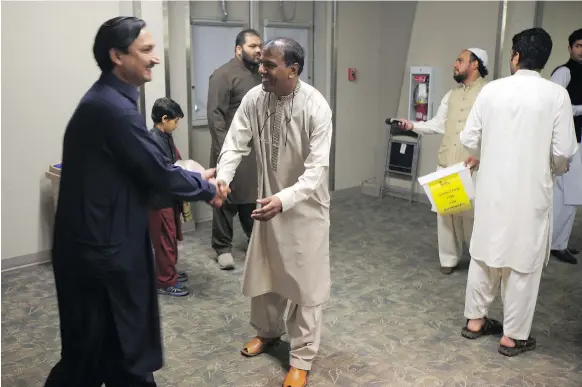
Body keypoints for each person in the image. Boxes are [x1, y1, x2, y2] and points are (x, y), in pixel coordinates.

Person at [45, 17, 226, 387]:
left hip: (103, 249)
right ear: (116, 55)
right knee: (90, 359)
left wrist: (193, 179)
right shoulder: (110, 109)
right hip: (100, 258)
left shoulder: (109, 102)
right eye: (145, 50)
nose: (155, 59)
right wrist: (206, 187)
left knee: (118, 357)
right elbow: (155, 170)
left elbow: (145, 169)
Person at [215, 37, 332, 387]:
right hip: (268, 207)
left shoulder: (316, 107)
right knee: (266, 275)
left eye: (268, 65)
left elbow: (316, 171)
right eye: (260, 62)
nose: (260, 69)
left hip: (305, 209)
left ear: (292, 70)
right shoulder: (255, 98)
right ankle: (267, 333)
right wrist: (223, 178)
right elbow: (235, 142)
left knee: (305, 287)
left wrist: (285, 199)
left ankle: (302, 357)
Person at [459, 27, 578, 357]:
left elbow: (469, 139)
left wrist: (488, 150)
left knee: (484, 255)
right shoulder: (556, 95)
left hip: (492, 188)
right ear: (544, 59)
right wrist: (553, 168)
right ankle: (512, 336)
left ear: (515, 56)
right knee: (523, 264)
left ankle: (475, 320)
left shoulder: (492, 91)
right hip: (531, 193)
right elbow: (565, 150)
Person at [397, 47, 489, 274]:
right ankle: (448, 260)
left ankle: (480, 261)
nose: (454, 64)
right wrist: (413, 125)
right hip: (447, 163)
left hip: (472, 166)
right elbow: (438, 124)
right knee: (445, 215)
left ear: (474, 64)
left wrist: (480, 155)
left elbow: (494, 130)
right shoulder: (451, 95)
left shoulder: (489, 94)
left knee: (472, 217)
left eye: (460, 60)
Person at [207, 29, 262, 270]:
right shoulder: (223, 75)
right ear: (238, 50)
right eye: (252, 46)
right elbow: (215, 115)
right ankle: (222, 248)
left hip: (254, 151)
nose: (258, 50)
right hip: (229, 148)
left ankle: (254, 240)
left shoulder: (262, 75)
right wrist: (225, 152)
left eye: (260, 46)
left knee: (251, 198)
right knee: (224, 197)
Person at [148, 97, 192, 297]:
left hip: (169, 196)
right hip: (159, 200)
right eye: (175, 120)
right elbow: (165, 169)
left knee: (172, 236)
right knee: (165, 240)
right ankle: (165, 281)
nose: (177, 124)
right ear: (164, 119)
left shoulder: (164, 135)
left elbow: (175, 158)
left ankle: (169, 272)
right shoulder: (154, 140)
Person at [549, 28, 582, 264]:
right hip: (567, 141)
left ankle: (559, 241)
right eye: (578, 45)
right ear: (570, 48)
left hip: (579, 138)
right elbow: (552, 105)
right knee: (567, 194)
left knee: (571, 194)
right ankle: (555, 244)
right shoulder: (564, 72)